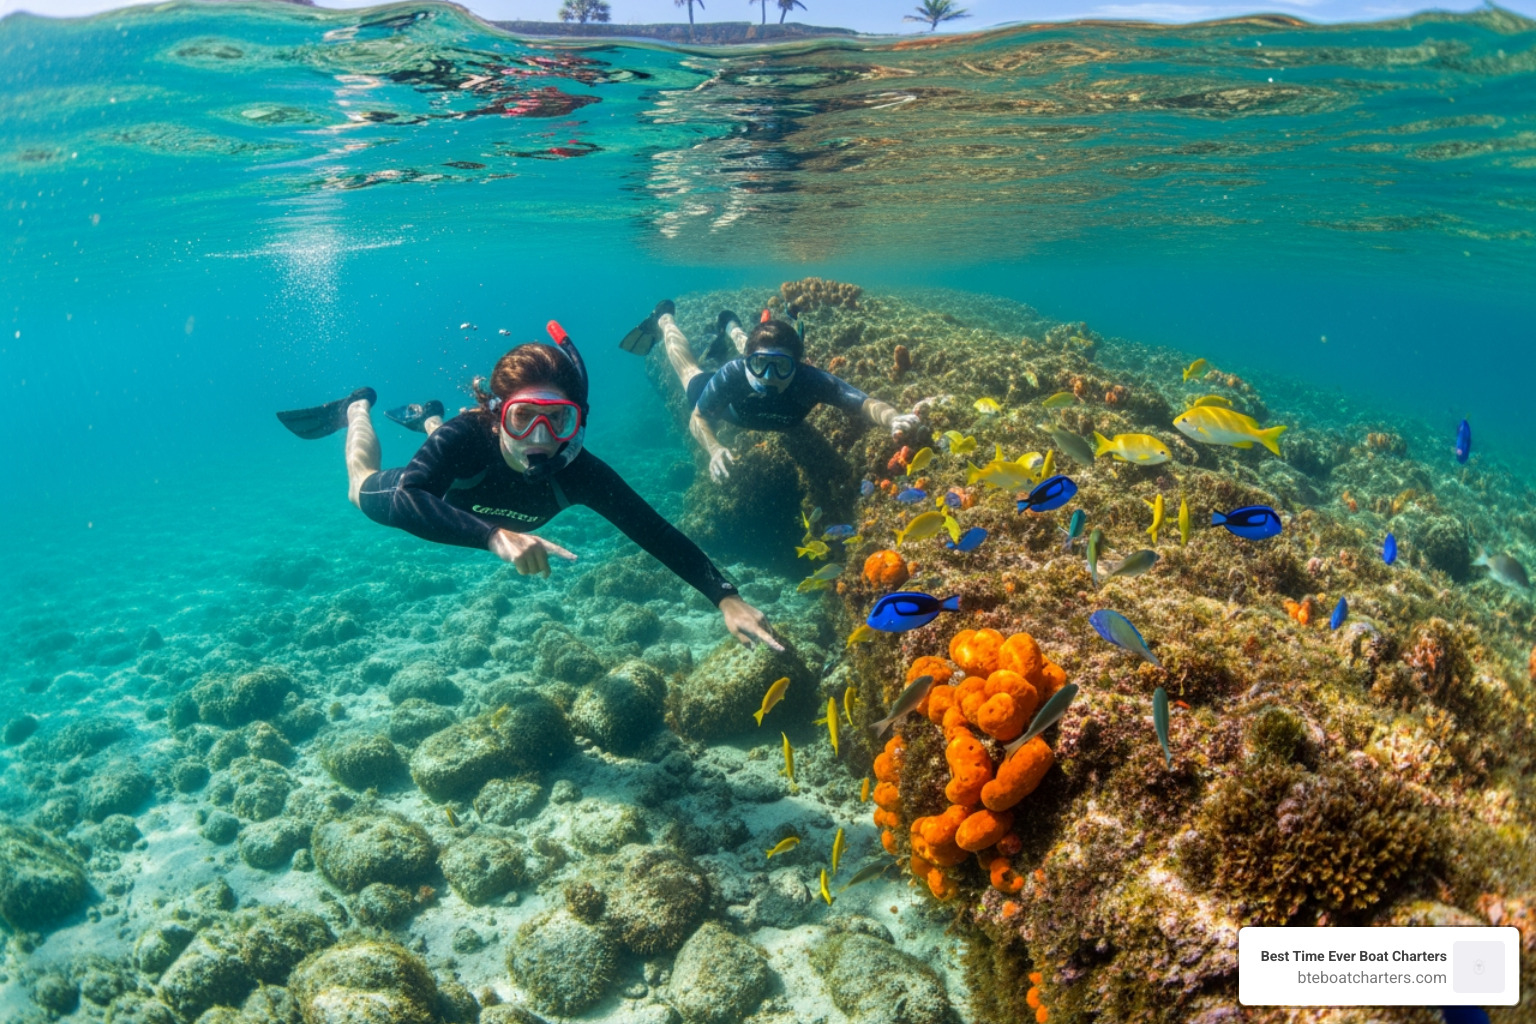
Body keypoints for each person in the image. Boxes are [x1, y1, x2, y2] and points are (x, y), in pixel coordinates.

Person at [276, 322, 782, 650]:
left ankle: (427, 417)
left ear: (576, 423)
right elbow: (413, 495)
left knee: (454, 453)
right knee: (359, 486)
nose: (540, 440)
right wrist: (494, 536)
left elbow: (651, 529)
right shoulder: (466, 435)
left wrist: (724, 596)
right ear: (496, 418)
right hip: (445, 487)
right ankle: (357, 407)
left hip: (467, 479)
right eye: (523, 419)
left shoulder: (580, 469)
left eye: (557, 421)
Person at [620, 301, 921, 483]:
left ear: (798, 366)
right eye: (759, 365)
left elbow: (864, 403)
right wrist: (714, 449)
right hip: (732, 411)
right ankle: (664, 318)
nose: (769, 377)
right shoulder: (733, 374)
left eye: (782, 367)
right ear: (745, 364)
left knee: (761, 347)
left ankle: (732, 327)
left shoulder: (810, 380)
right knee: (689, 371)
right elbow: (698, 417)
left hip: (762, 388)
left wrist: (893, 418)